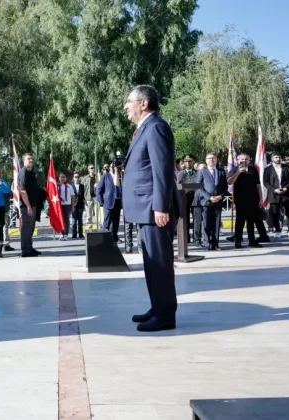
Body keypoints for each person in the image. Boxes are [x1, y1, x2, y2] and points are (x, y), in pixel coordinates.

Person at [122, 84, 180, 332]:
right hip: (146, 209)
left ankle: (165, 314)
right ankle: (157, 307)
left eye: (129, 102)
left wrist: (161, 207)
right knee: (151, 263)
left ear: (143, 103)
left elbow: (162, 170)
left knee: (160, 263)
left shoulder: (156, 127)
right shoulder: (144, 129)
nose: (126, 107)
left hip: (154, 209)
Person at [227, 154, 264, 248]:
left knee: (251, 221)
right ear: (238, 160)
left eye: (246, 159)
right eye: (242, 159)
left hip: (253, 198)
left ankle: (252, 240)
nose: (244, 161)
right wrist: (238, 172)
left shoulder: (253, 169)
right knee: (240, 221)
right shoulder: (234, 169)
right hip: (240, 199)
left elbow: (258, 185)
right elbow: (229, 182)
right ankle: (238, 241)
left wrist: (261, 198)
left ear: (249, 160)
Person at [196, 153, 229, 250]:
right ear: (206, 160)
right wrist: (209, 197)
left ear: (216, 160)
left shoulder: (221, 171)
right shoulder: (202, 172)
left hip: (218, 201)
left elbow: (225, 187)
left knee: (216, 223)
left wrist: (220, 196)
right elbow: (199, 187)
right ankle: (207, 244)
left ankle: (215, 243)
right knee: (206, 223)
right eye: (209, 158)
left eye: (213, 158)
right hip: (206, 202)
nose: (211, 160)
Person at [263, 152, 289, 238]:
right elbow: (265, 182)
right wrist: (274, 189)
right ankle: (278, 230)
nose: (278, 159)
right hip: (274, 194)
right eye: (276, 157)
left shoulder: (286, 167)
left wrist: (286, 188)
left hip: (285, 193)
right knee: (275, 213)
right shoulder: (268, 169)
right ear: (272, 159)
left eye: (279, 157)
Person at [18, 153, 41, 257]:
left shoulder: (31, 172)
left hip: (33, 204)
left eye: (32, 159)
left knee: (31, 228)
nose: (31, 161)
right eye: (28, 159)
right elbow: (22, 191)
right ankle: (25, 250)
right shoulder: (23, 173)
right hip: (26, 206)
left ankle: (29, 248)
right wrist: (28, 206)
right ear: (24, 161)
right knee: (26, 228)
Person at [97, 162, 123, 242]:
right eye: (112, 166)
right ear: (110, 168)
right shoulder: (105, 176)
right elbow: (99, 189)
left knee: (116, 222)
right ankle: (104, 239)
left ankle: (115, 237)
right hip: (108, 202)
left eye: (115, 166)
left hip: (118, 202)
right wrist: (101, 201)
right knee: (107, 221)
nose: (114, 168)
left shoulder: (121, 175)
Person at [57, 173, 76, 240]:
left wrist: (72, 206)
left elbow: (72, 197)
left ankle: (65, 234)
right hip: (59, 205)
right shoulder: (57, 186)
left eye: (63, 177)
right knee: (60, 219)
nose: (62, 178)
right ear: (59, 178)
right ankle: (61, 233)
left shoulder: (69, 186)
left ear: (66, 178)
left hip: (67, 205)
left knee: (66, 219)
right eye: (61, 177)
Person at [82, 164, 98, 229]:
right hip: (88, 198)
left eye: (94, 168)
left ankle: (99, 227)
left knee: (98, 214)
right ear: (88, 170)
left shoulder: (97, 177)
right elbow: (82, 189)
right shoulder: (85, 178)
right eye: (91, 168)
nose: (93, 169)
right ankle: (89, 229)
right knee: (89, 215)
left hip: (96, 198)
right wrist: (83, 199)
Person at [71, 172, 85, 238]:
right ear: (73, 178)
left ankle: (80, 233)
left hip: (80, 205)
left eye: (78, 177)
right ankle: (74, 234)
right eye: (75, 177)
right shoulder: (71, 186)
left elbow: (83, 195)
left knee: (80, 221)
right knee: (73, 221)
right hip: (73, 206)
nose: (77, 178)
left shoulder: (82, 186)